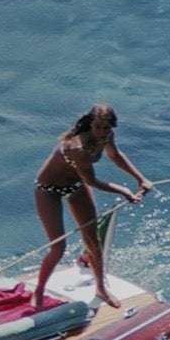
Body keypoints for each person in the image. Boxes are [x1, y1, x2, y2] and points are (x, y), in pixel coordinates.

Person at [31, 106, 151, 311]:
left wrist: (140, 178)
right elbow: (91, 181)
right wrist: (124, 190)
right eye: (98, 127)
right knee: (58, 248)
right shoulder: (77, 148)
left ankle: (101, 289)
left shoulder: (107, 136)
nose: (102, 132)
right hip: (48, 190)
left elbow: (115, 155)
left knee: (93, 242)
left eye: (107, 128)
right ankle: (39, 291)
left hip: (76, 186)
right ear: (90, 124)